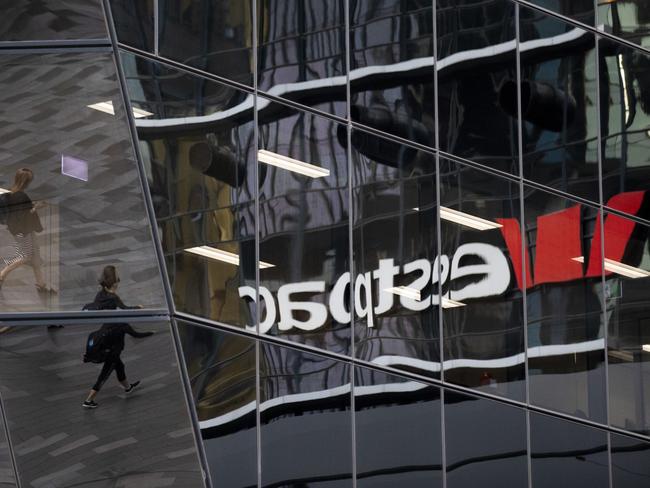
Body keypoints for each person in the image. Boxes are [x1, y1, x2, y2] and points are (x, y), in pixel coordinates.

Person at [82, 265, 152, 409]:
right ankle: (89, 400)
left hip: (104, 331)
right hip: (113, 340)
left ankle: (128, 387)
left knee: (119, 365)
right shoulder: (113, 299)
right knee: (107, 371)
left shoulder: (100, 294)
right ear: (115, 282)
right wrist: (139, 308)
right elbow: (126, 310)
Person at [0, 168, 54, 293]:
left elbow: (19, 212)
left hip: (21, 229)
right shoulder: (21, 195)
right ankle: (2, 274)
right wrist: (37, 207)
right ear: (26, 182)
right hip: (23, 231)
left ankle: (41, 284)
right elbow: (24, 215)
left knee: (35, 255)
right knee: (25, 256)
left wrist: (32, 205)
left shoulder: (12, 192)